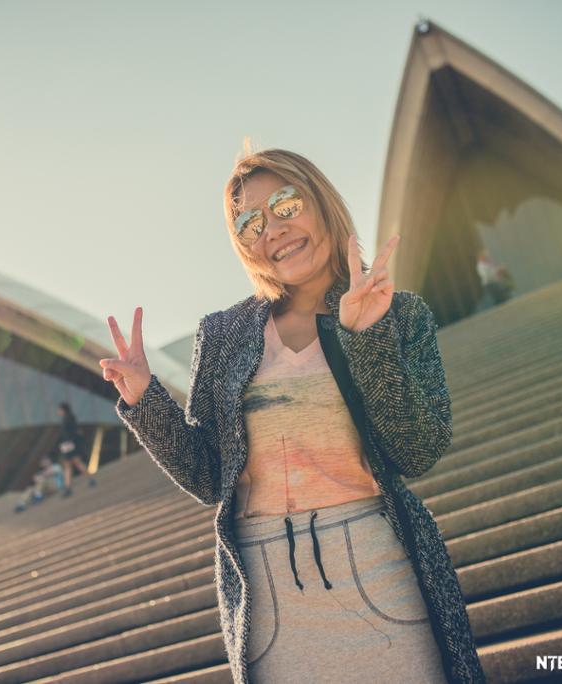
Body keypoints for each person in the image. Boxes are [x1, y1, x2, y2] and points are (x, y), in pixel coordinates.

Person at [99, 148, 485, 683]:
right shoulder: (223, 334)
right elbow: (211, 478)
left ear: (320, 200)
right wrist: (145, 396)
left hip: (380, 565)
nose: (272, 230)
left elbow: (418, 451)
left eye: (285, 203)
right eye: (250, 222)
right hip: (268, 589)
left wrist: (366, 336)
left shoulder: (400, 315)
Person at [55, 402, 96, 494]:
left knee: (70, 465)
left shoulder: (66, 419)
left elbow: (67, 434)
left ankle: (69, 487)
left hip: (68, 445)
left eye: (59, 410)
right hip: (71, 444)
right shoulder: (71, 418)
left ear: (63, 410)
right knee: (74, 463)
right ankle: (88, 479)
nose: (58, 412)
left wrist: (64, 444)